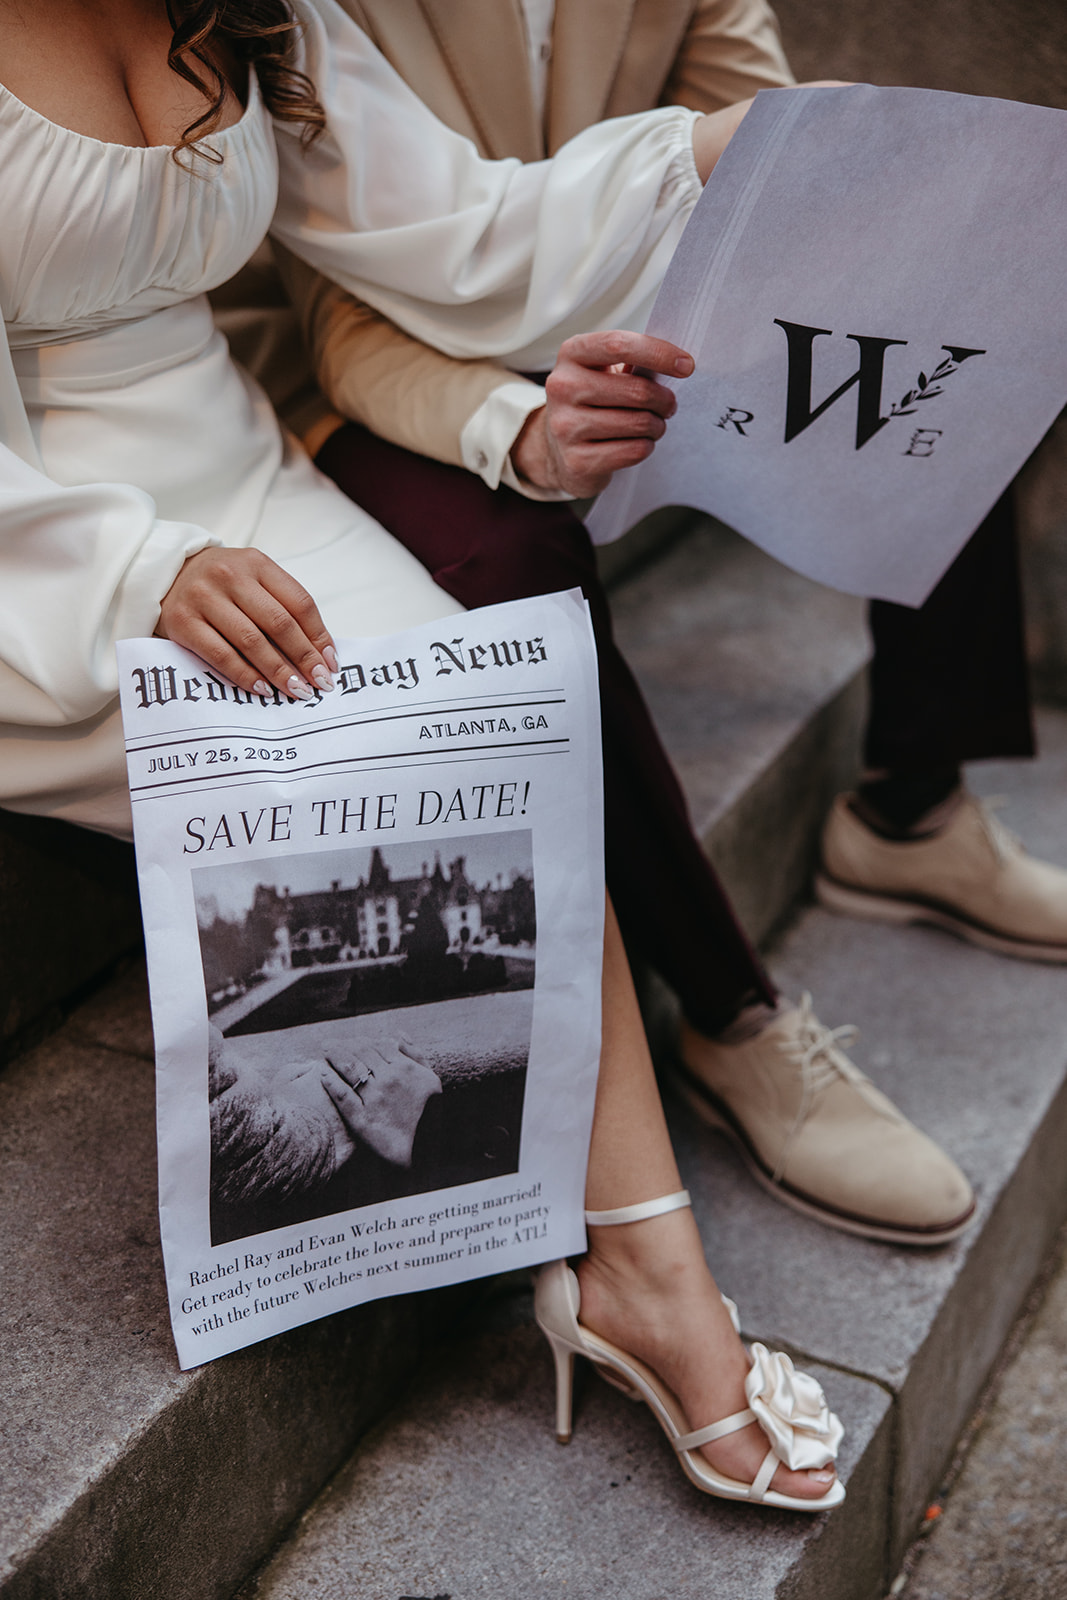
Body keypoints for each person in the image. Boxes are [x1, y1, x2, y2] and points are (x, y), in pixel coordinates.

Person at [0, 0, 846, 1509]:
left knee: (499, 744)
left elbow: (458, 225)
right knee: (348, 773)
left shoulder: (257, 7)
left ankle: (642, 1274)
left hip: (241, 471)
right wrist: (131, 576)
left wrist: (705, 154)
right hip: (44, 550)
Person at [217, 0, 980, 1247]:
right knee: (510, 550)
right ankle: (735, 1020)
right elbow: (341, 312)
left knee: (938, 340)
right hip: (391, 368)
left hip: (629, 300)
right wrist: (518, 428)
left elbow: (773, 170)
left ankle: (912, 807)